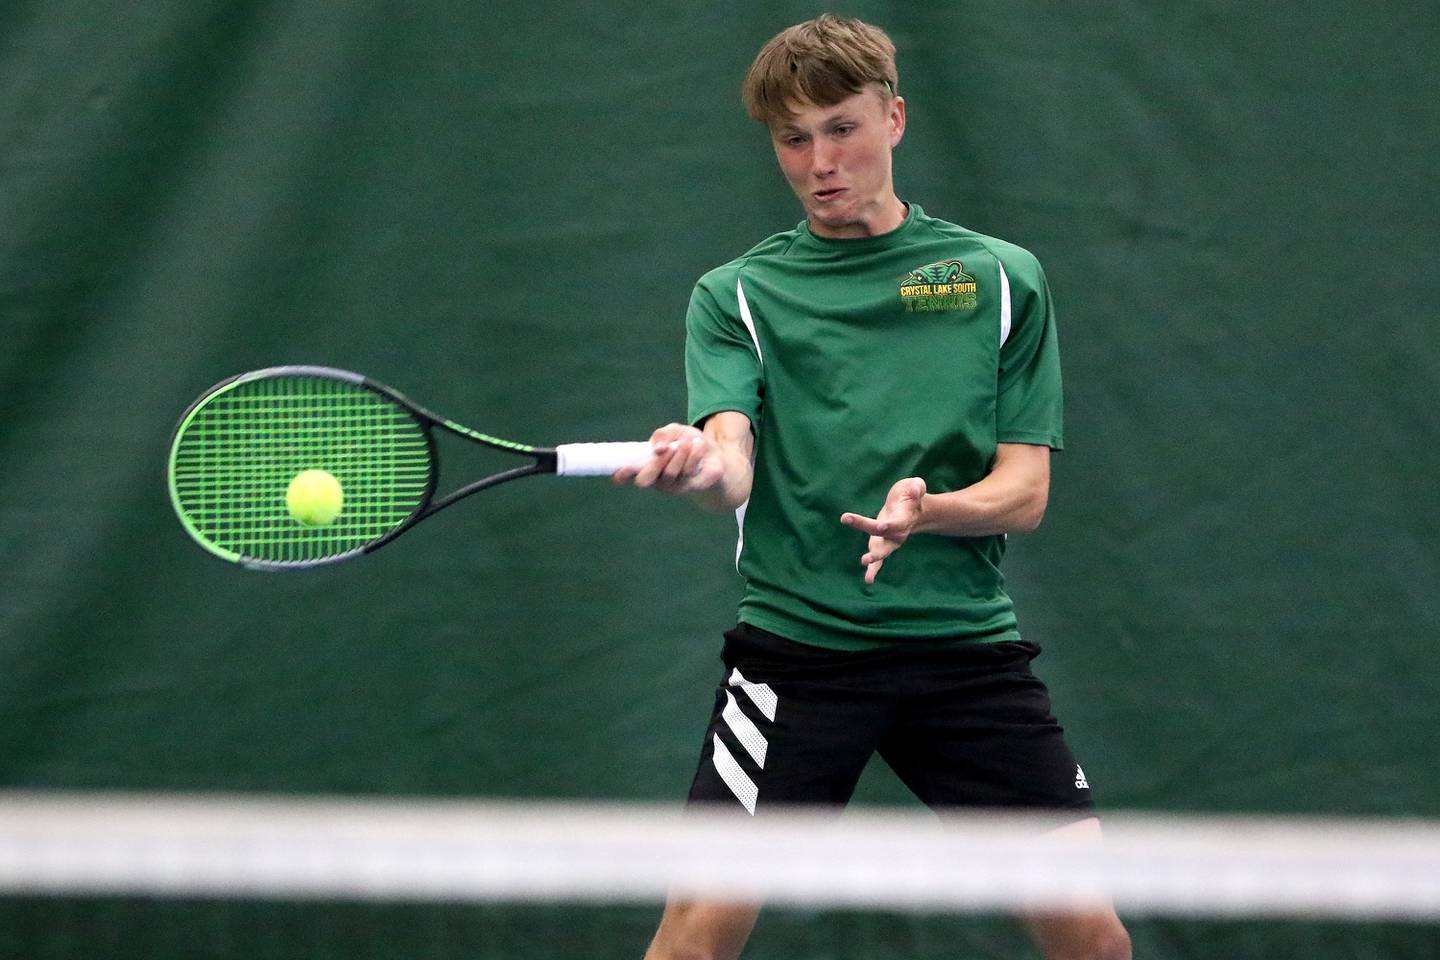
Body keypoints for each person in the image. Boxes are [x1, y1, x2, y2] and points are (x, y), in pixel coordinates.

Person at [614, 14, 1132, 960]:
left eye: (842, 128)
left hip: (964, 655)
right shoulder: (734, 296)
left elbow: (1026, 489)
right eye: (793, 138)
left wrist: (936, 511)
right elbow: (731, 461)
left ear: (894, 119)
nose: (820, 160)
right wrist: (697, 466)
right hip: (798, 656)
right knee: (693, 941)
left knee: (1093, 939)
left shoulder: (998, 278)